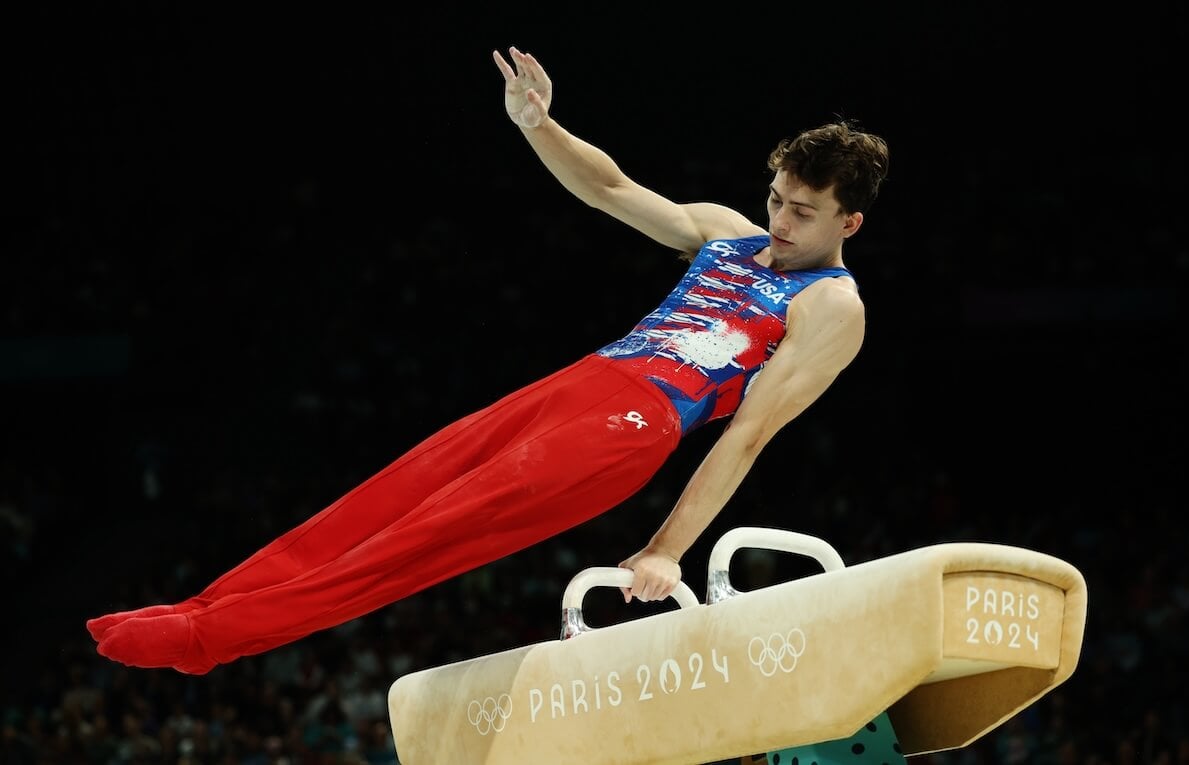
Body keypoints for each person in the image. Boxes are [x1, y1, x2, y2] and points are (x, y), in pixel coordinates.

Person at [87, 46, 889, 675]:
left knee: (424, 536)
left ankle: (209, 638)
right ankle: (204, 604)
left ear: (848, 223)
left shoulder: (832, 308)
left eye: (803, 211)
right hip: (582, 380)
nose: (780, 219)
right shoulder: (726, 231)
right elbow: (611, 189)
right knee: (391, 493)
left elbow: (746, 434)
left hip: (635, 424)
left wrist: (665, 548)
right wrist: (538, 124)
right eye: (778, 197)